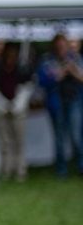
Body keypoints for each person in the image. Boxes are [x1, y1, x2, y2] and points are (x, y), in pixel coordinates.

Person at [0, 43, 33, 181]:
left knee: (19, 140)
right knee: (4, 141)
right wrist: (2, 104)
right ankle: (6, 169)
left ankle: (20, 170)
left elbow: (28, 88)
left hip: (19, 109)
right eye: (8, 54)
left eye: (13, 55)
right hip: (0, 109)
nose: (11, 58)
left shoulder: (22, 69)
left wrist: (17, 104)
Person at [36, 33, 83, 177]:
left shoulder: (75, 58)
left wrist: (73, 71)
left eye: (63, 45)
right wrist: (59, 74)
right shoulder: (47, 60)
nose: (61, 48)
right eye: (58, 46)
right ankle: (61, 169)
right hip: (56, 102)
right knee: (59, 136)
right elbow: (42, 81)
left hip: (74, 100)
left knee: (76, 134)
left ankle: (81, 166)